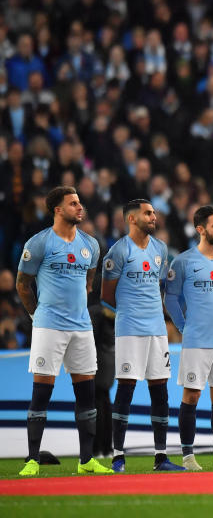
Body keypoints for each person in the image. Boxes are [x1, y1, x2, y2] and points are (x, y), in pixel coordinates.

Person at [17, 186, 112, 476]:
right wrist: (37, 315)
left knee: (86, 394)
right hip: (49, 326)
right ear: (57, 209)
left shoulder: (91, 245)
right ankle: (32, 459)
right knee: (41, 393)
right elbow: (22, 283)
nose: (79, 207)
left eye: (79, 202)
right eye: (73, 203)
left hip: (81, 328)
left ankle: (86, 461)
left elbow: (90, 280)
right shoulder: (40, 243)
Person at [102, 199, 185, 472]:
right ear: (132, 219)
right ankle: (117, 456)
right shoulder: (118, 251)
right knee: (126, 389)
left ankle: (161, 457)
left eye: (153, 212)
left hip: (157, 331)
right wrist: (130, 312)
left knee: (160, 391)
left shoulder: (160, 248)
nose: (153, 216)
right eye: (147, 213)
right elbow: (106, 295)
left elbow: (159, 287)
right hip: (130, 330)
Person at [165, 205, 213, 471]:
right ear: (201, 229)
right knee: (192, 396)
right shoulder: (184, 261)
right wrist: (183, 326)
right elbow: (171, 298)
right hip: (196, 341)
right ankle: (188, 456)